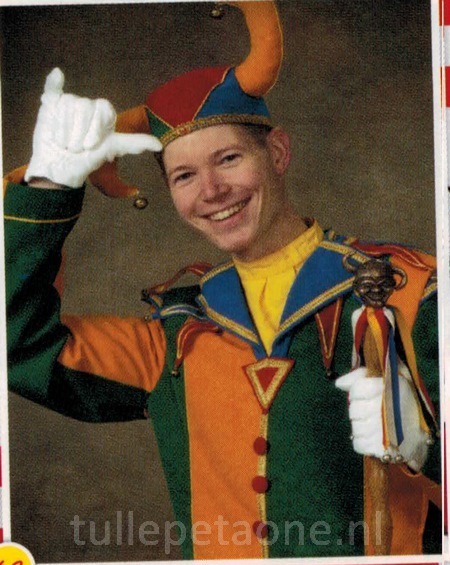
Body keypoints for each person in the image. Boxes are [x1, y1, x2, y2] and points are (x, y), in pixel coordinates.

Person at [3, 1, 441, 560]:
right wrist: (47, 189)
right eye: (184, 175)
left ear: (277, 152)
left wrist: (425, 447)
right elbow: (18, 345)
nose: (211, 191)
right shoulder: (174, 334)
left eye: (229, 158)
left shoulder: (410, 291)